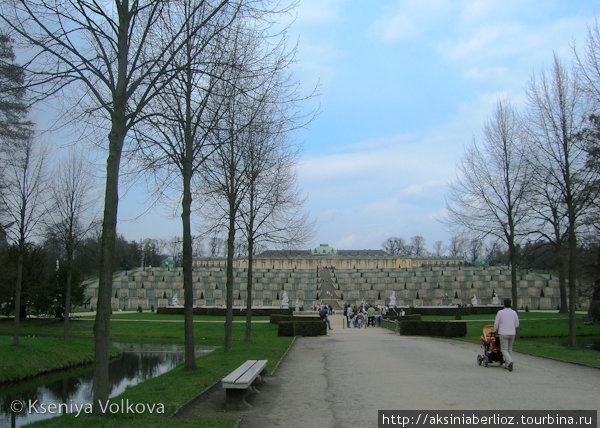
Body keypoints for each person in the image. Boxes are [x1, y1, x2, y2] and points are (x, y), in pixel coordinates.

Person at [494, 298, 519, 372]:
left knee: (504, 349)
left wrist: (496, 329)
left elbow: (496, 323)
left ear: (504, 304)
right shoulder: (514, 312)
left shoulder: (500, 312)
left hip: (503, 333)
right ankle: (507, 364)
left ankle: (510, 361)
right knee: (509, 348)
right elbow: (517, 324)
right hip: (512, 333)